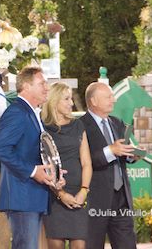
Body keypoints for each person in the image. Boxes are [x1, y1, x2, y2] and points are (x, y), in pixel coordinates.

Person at [0, 66, 63, 248]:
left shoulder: (31, 113)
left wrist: (54, 174)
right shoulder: (17, 112)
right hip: (22, 197)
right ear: (26, 86)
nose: (47, 88)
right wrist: (33, 172)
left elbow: (37, 153)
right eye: (42, 83)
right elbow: (0, 149)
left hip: (32, 196)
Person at [80, 82, 138, 249]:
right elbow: (83, 160)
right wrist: (111, 150)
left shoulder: (116, 123)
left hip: (121, 200)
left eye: (112, 96)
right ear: (93, 101)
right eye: (108, 97)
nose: (113, 100)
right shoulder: (80, 125)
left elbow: (122, 153)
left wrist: (132, 155)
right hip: (95, 200)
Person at [42, 82, 93, 249]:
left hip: (78, 194)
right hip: (53, 196)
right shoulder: (43, 129)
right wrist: (60, 194)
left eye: (71, 98)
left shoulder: (78, 125)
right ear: (54, 101)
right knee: (55, 245)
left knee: (79, 245)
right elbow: (44, 164)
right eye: (66, 99)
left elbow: (86, 162)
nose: (71, 103)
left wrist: (84, 190)